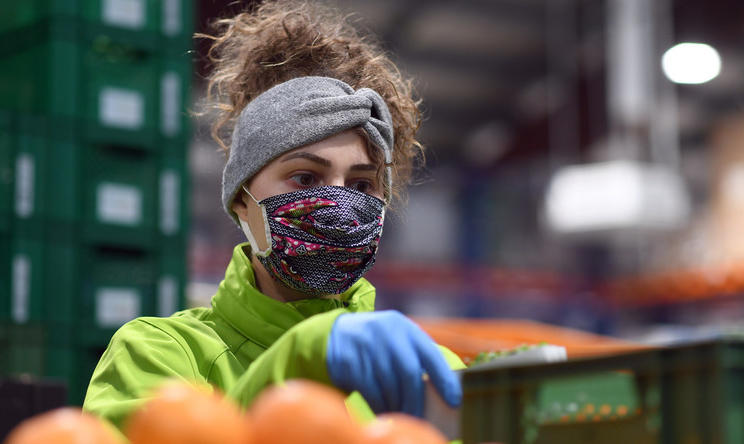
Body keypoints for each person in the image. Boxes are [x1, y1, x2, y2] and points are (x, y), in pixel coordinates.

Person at [83, 0, 465, 430]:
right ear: (241, 199)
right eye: (304, 178)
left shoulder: (429, 375)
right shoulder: (161, 354)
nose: (338, 206)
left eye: (362, 186)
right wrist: (301, 358)